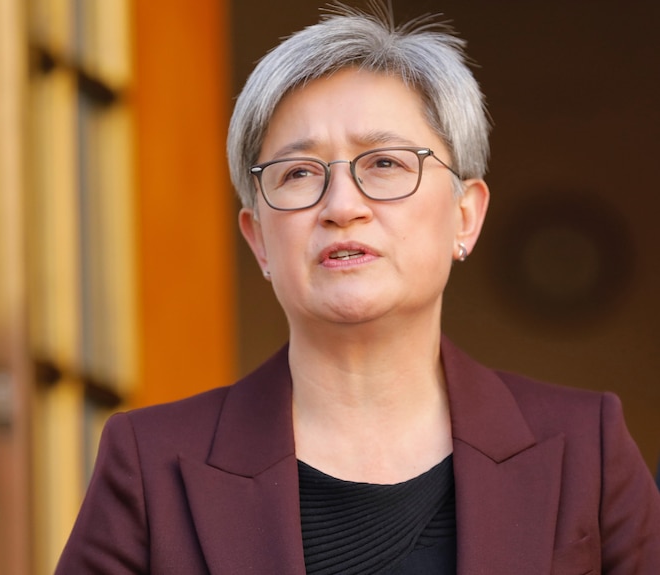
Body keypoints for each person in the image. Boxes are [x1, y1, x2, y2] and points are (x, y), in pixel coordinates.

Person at [55, 4, 660, 573]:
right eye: (297, 174)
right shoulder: (149, 462)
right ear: (259, 238)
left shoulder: (587, 448)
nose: (342, 206)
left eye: (385, 164)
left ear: (465, 216)